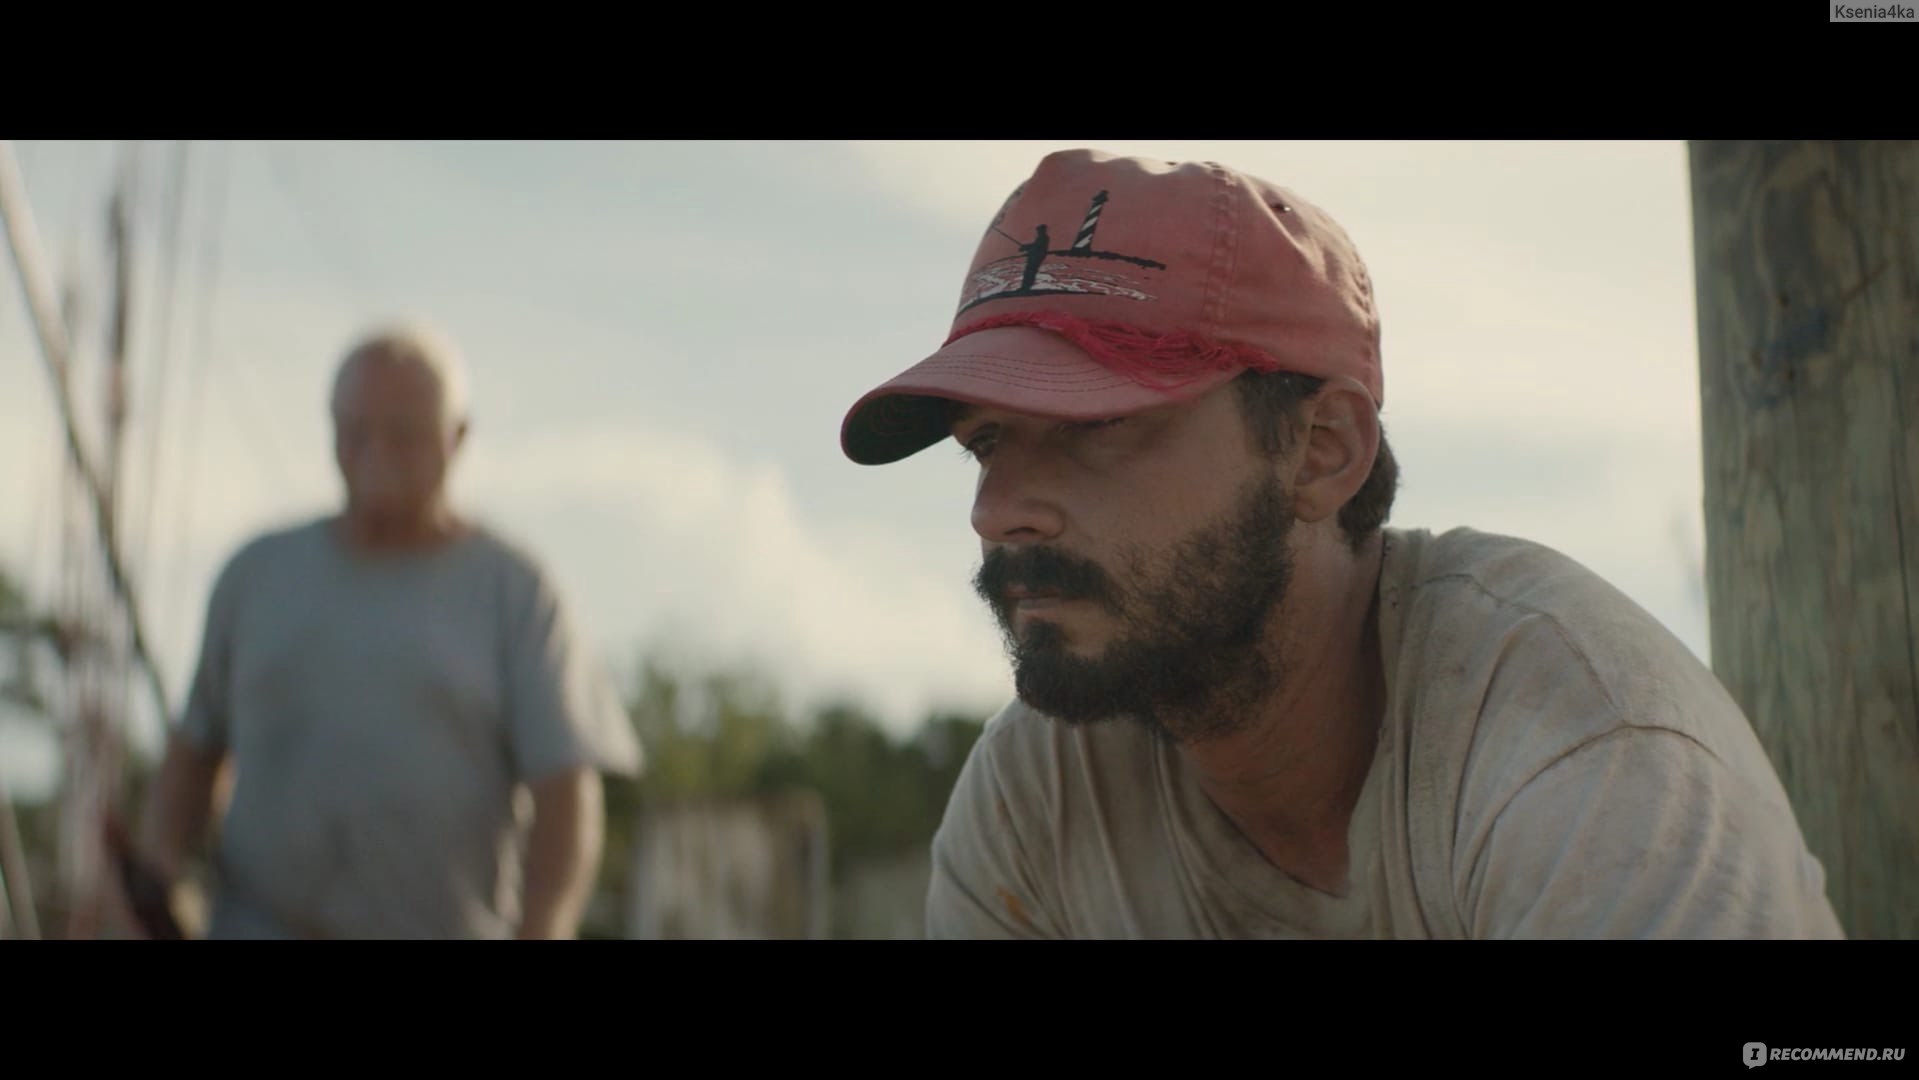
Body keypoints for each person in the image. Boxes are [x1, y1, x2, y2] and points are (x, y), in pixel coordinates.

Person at [838, 148, 1844, 939]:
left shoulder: (1584, 753)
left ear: (1323, 450)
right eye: (986, 444)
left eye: (1094, 427)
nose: (997, 511)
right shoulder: (1039, 801)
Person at [131, 322, 641, 939]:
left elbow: (565, 795)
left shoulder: (513, 592)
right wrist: (154, 881)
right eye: (356, 432)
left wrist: (544, 929)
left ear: (456, 436)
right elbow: (193, 756)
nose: (377, 453)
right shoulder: (256, 577)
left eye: (403, 435)